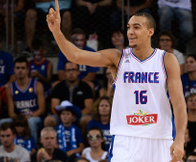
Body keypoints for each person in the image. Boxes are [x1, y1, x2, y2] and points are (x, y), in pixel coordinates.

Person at [47, 2, 187, 161]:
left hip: (160, 137)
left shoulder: (166, 59)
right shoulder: (117, 58)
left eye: (136, 27)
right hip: (126, 137)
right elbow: (76, 56)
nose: (130, 32)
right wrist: (57, 31)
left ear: (150, 32)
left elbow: (179, 103)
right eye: (128, 27)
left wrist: (180, 139)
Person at [0, 57, 45, 144]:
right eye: (18, 68)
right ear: (14, 70)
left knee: (31, 122)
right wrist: (19, 120)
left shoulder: (37, 85)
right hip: (18, 118)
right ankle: (0, 152)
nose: (20, 71)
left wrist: (29, 117)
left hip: (34, 117)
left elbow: (42, 109)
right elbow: (11, 113)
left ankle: (33, 150)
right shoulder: (10, 88)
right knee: (1, 122)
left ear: (27, 70)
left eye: (23, 68)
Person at [44, 61, 94, 127]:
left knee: (86, 119)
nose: (71, 73)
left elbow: (89, 108)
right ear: (64, 73)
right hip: (61, 116)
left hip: (79, 115)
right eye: (68, 70)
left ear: (78, 72)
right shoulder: (58, 87)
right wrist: (65, 117)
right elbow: (54, 108)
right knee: (49, 120)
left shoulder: (86, 87)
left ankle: (82, 137)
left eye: (74, 69)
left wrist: (74, 116)